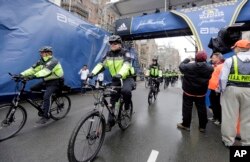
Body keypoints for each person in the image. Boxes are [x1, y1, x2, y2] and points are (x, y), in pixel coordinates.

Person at [88, 35, 135, 132]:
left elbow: (126, 65)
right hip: (116, 79)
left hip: (126, 77)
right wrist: (92, 73)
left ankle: (126, 107)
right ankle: (110, 122)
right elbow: (101, 65)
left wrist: (120, 74)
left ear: (120, 44)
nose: (113, 45)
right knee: (112, 101)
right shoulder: (108, 54)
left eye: (115, 43)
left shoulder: (125, 53)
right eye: (111, 43)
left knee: (126, 91)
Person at [20, 46, 64, 124]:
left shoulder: (54, 61)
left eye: (42, 52)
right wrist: (21, 74)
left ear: (48, 53)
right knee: (33, 88)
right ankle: (44, 103)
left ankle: (46, 116)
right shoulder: (41, 61)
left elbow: (45, 71)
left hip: (55, 82)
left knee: (46, 96)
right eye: (41, 52)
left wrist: (32, 77)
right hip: (46, 81)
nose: (41, 54)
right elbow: (32, 69)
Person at [220, 39, 250, 147]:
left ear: (238, 48)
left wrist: (222, 90)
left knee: (229, 116)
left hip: (232, 89)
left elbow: (223, 78)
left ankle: (228, 141)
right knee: (248, 118)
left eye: (235, 48)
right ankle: (247, 142)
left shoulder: (230, 60)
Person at [177, 51, 213, 132]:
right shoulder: (210, 68)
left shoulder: (189, 66)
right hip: (201, 93)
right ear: (205, 59)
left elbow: (181, 66)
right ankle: (202, 127)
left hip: (188, 92)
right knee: (202, 109)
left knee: (187, 108)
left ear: (196, 58)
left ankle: (186, 125)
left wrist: (187, 59)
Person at [208, 52, 224, 126]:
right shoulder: (215, 66)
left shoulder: (222, 66)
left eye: (213, 58)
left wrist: (218, 87)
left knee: (217, 105)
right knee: (214, 104)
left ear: (218, 58)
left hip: (217, 89)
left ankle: (220, 120)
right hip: (213, 89)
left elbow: (222, 78)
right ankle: (215, 117)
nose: (212, 59)